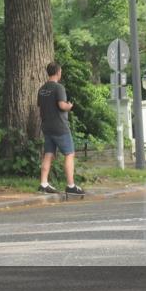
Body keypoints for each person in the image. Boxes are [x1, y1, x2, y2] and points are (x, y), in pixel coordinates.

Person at [37, 62, 83, 195]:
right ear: (57, 72)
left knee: (49, 154)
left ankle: (44, 183)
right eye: (60, 71)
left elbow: (40, 106)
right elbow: (61, 105)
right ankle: (70, 185)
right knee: (69, 154)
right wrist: (69, 106)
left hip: (46, 127)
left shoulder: (42, 89)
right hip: (60, 127)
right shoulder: (59, 88)